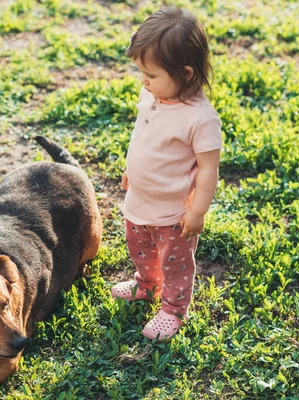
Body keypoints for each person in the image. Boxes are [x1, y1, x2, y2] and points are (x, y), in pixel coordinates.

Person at [111, 7, 222, 341]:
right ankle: (146, 283)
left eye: (151, 74)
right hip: (140, 201)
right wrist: (132, 169)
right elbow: (144, 136)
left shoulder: (200, 119)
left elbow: (208, 169)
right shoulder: (152, 94)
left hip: (173, 214)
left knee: (176, 264)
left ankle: (174, 309)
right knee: (139, 247)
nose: (143, 81)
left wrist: (197, 211)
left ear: (186, 74)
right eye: (141, 72)